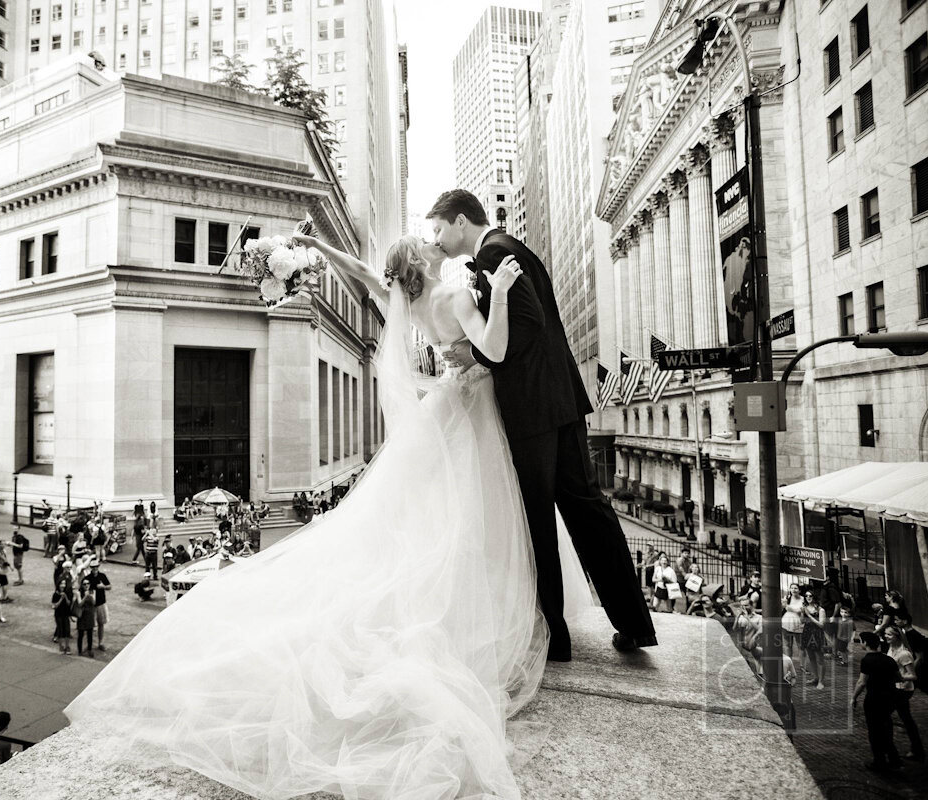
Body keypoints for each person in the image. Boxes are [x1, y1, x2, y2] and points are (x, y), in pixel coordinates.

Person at [64, 228, 590, 800]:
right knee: (480, 522)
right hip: (478, 411)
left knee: (447, 523)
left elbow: (365, 275)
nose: (435, 244)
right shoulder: (451, 294)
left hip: (449, 408)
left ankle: (476, 611)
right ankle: (492, 621)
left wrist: (320, 251)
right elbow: (493, 349)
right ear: (419, 259)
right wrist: (507, 290)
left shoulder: (409, 301)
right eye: (427, 242)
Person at [425, 190, 655, 659]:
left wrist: (474, 351)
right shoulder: (509, 248)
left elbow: (526, 322)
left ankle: (555, 637)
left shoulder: (494, 252)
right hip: (559, 400)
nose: (438, 239)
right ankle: (634, 624)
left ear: (461, 222)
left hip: (532, 408)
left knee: (537, 522)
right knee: (588, 509)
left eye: (439, 229)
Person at [854, 631, 901, 772]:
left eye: (861, 641)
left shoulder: (867, 660)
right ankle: (894, 759)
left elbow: (862, 682)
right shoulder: (889, 659)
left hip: (874, 699)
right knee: (886, 727)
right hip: (889, 698)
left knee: (874, 731)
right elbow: (898, 678)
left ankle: (879, 761)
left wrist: (854, 697)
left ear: (865, 643)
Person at [884, 626, 924, 761]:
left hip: (903, 690)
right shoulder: (891, 649)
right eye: (885, 634)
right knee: (906, 719)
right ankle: (917, 749)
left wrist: (899, 678)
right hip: (896, 688)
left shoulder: (904, 654)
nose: (886, 637)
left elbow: (913, 676)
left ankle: (889, 751)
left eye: (889, 635)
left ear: (897, 636)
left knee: (884, 716)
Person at [801, 590, 826, 689]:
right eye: (806, 595)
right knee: (811, 657)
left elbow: (821, 625)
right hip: (807, 633)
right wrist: (803, 613)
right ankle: (815, 677)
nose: (808, 597)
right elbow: (802, 621)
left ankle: (821, 681)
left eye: (810, 595)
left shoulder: (820, 610)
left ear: (814, 596)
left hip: (817, 634)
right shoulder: (805, 608)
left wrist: (809, 615)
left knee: (820, 659)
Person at [87, 561, 112, 651]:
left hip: (101, 603)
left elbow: (109, 586)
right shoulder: (88, 578)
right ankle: (89, 644)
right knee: (90, 625)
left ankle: (100, 642)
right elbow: (83, 588)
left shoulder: (102, 576)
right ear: (91, 568)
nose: (95, 569)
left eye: (96, 567)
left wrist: (103, 587)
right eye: (93, 567)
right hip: (91, 604)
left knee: (101, 623)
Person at [780, 583, 805, 672]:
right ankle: (789, 665)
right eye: (792, 588)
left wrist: (788, 607)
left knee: (800, 645)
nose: (794, 590)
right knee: (787, 645)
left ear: (799, 590)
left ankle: (802, 666)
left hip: (798, 624)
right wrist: (785, 606)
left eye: (796, 588)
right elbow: (783, 608)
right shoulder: (787, 598)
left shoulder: (803, 599)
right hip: (786, 623)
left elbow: (801, 611)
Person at [52, 577, 75, 655]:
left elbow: (69, 603)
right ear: (58, 585)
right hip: (58, 614)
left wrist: (65, 597)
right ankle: (61, 646)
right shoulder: (55, 594)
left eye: (64, 584)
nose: (63, 585)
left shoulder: (66, 593)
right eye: (62, 584)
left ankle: (67, 646)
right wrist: (61, 599)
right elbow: (54, 606)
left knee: (67, 630)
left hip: (65, 614)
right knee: (60, 630)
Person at [76, 577, 97, 657]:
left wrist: (90, 596)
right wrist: (85, 597)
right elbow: (79, 604)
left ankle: (89, 649)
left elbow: (94, 602)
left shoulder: (93, 591)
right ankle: (80, 650)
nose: (86, 585)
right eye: (84, 584)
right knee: (80, 634)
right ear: (82, 585)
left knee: (90, 634)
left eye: (88, 583)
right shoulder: (79, 593)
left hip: (90, 615)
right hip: (82, 615)